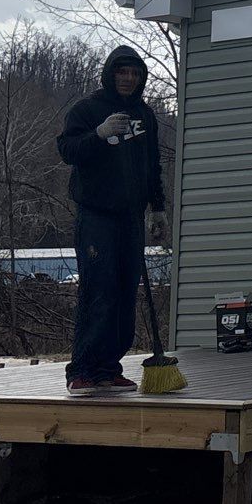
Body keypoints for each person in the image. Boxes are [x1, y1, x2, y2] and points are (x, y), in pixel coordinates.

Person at [56, 45, 165, 397]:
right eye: (122, 72)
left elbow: (152, 166)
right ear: (111, 74)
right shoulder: (87, 110)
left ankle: (108, 368)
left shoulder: (145, 116)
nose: (128, 79)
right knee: (98, 289)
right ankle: (82, 369)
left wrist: (158, 209)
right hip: (97, 216)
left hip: (131, 217)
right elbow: (67, 150)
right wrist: (99, 135)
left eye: (134, 73)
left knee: (123, 292)